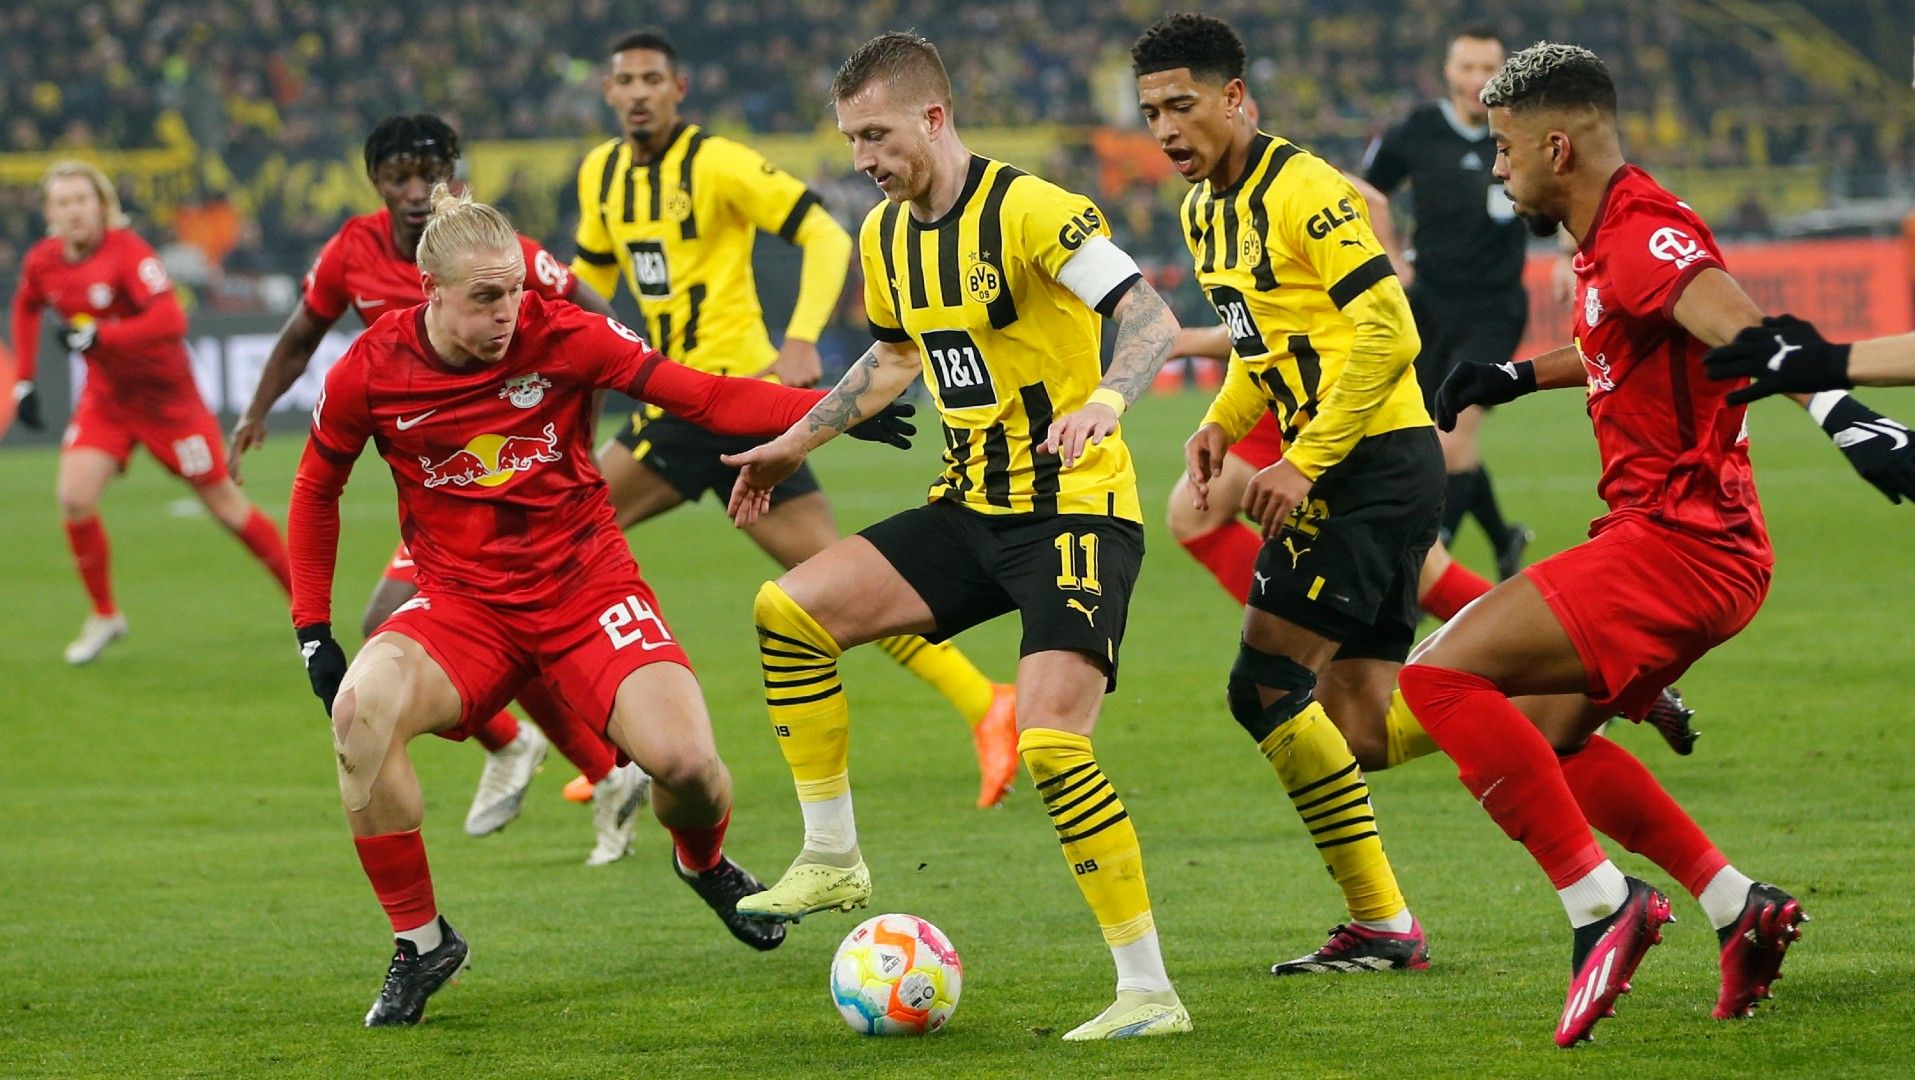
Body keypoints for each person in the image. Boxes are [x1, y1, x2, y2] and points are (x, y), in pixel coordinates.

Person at [286, 184, 915, 1026]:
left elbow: (698, 396)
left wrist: (825, 414)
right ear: (430, 294)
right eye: (484, 297)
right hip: (462, 605)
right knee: (358, 714)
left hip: (587, 587)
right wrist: (312, 630)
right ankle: (421, 940)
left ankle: (703, 864)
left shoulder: (561, 333)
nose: (508, 310)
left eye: (513, 289)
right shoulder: (370, 368)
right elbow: (314, 488)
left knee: (689, 768)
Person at [721, 32, 1191, 1040]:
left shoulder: (1035, 210)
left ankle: (1148, 992)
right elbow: (892, 360)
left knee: (1054, 744)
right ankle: (834, 858)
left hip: (1074, 509)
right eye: (850, 140)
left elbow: (1147, 313)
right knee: (788, 610)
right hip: (968, 509)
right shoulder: (886, 237)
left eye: (876, 134)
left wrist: (1109, 396)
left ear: (933, 119)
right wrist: (787, 443)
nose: (862, 159)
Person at [1397, 43, 1805, 1047]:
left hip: (1677, 548)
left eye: (1501, 150)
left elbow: (1745, 330)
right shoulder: (1608, 234)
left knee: (1435, 682)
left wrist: (1845, 413)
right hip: (1682, 549)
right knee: (1541, 740)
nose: (1495, 170)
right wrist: (1512, 377)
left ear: (1554, 144)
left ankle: (1600, 906)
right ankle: (1734, 905)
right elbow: (1620, 338)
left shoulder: (1639, 235)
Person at [572, 29, 1018, 809]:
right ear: (608, 93)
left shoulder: (718, 163)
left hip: (724, 395)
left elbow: (820, 230)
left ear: (678, 88)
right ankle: (988, 703)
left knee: (564, 538)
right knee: (833, 583)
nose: (638, 92)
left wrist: (803, 334)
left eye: (652, 78)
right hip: (677, 398)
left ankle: (608, 746)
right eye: (625, 80)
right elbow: (586, 279)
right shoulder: (601, 175)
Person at [227, 116, 643, 866]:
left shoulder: (493, 253)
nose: (417, 193)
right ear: (377, 183)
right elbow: (299, 334)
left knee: (408, 619)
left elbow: (598, 325)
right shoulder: (350, 251)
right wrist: (257, 411)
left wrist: (571, 435)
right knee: (461, 631)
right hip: (442, 489)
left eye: (431, 176)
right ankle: (586, 765)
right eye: (399, 179)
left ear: (456, 171)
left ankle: (556, 756)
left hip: (511, 483)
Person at [1134, 12, 1436, 975]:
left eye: (1182, 105)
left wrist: (1303, 460)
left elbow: (1390, 330)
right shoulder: (1200, 212)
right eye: (1150, 113)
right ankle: (1562, 676)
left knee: (1263, 686)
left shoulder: (1305, 190)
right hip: (1350, 464)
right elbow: (1265, 347)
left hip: (1368, 465)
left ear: (1236, 99)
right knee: (1359, 725)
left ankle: (1382, 921)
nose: (1167, 129)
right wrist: (1222, 419)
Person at [8, 161, 292, 664]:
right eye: (63, 202)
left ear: (101, 204)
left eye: (82, 199)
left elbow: (170, 318)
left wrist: (103, 336)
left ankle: (306, 609)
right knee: (73, 497)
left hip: (169, 401)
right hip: (108, 399)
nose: (73, 210)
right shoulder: (43, 261)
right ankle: (104, 615)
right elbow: (27, 304)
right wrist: (26, 379)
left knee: (226, 507)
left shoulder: (129, 253)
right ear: (49, 212)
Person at [1362, 25, 1534, 577]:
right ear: (1449, 72)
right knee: (1443, 432)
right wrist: (1392, 255)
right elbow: (1365, 191)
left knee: (1450, 436)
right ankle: (1505, 539)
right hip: (1428, 306)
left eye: (1489, 68)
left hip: (1494, 306)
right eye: (1468, 68)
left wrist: (1577, 254)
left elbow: (1575, 190)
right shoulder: (1419, 130)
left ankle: (1422, 566)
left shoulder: (1522, 133)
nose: (1478, 80)